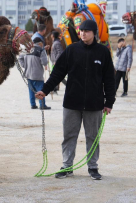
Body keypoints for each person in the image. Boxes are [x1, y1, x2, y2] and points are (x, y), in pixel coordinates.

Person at [35, 20, 116, 180]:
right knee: (69, 135)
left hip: (94, 103)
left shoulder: (102, 52)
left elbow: (109, 79)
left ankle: (93, 167)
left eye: (86, 31)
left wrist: (109, 102)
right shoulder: (71, 50)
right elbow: (57, 73)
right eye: (81, 31)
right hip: (72, 102)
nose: (83, 33)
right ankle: (67, 166)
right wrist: (45, 90)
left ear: (94, 33)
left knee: (92, 137)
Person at [18, 37, 51, 110]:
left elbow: (20, 58)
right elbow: (44, 62)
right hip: (37, 75)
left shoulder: (27, 49)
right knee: (40, 90)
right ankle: (42, 105)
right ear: (39, 43)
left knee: (31, 90)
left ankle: (33, 105)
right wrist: (44, 53)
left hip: (28, 74)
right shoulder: (41, 50)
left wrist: (24, 65)